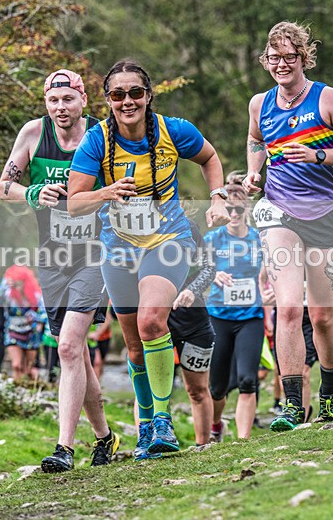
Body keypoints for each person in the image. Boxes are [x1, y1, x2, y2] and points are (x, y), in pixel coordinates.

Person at [68, 59, 229, 459]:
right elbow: (74, 204)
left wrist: (218, 197)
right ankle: (145, 427)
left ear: (148, 94)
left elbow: (210, 159)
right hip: (119, 247)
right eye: (118, 94)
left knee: (153, 320)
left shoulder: (175, 131)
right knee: (135, 345)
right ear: (107, 100)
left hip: (167, 240)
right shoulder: (96, 141)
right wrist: (106, 193)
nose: (127, 101)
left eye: (135, 93)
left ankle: (162, 423)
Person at [243, 21, 333, 431]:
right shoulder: (259, 104)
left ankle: (329, 395)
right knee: (288, 308)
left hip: (327, 213)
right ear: (266, 60)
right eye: (274, 57)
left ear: (303, 57)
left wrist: (318, 157)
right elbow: (255, 140)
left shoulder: (328, 98)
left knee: (321, 316)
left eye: (289, 57)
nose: (281, 64)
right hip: (280, 210)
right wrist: (252, 173)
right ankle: (293, 406)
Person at [0, 69, 117, 471]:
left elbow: (126, 185)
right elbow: (4, 187)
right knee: (75, 352)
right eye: (53, 101)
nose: (61, 108)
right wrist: (32, 191)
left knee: (67, 348)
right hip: (53, 258)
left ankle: (63, 448)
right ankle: (104, 438)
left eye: (68, 99)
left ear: (84, 99)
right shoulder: (33, 133)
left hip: (95, 255)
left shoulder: (103, 134)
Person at [205, 184, 265, 441]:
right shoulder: (213, 239)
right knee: (217, 387)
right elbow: (196, 271)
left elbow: (272, 274)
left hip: (251, 317)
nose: (234, 213)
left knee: (248, 380)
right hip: (218, 317)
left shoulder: (259, 240)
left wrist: (271, 292)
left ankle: (243, 440)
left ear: (246, 208)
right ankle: (216, 425)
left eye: (239, 208)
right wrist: (213, 275)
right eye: (228, 208)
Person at [167, 213, 216, 447]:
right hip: (157, 319)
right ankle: (146, 445)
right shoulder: (135, 227)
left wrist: (192, 290)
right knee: (152, 388)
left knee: (196, 389)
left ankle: (203, 445)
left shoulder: (188, 226)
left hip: (193, 319)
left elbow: (209, 267)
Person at [299, 270, 333, 421]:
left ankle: (304, 418)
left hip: (314, 317)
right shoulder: (283, 253)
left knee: (303, 371)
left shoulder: (317, 251)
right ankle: (297, 411)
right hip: (288, 316)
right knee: (284, 376)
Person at [0, 265, 45, 382]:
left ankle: (28, 390)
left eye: (19, 284)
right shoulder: (8, 294)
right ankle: (16, 390)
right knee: (16, 365)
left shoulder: (36, 297)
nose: (17, 287)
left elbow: (44, 313)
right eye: (15, 283)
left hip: (31, 334)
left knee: (28, 368)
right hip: (12, 332)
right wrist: (5, 283)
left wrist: (35, 318)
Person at [87, 306, 114, 380]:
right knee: (97, 362)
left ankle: (97, 384)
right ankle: (94, 387)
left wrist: (98, 333)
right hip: (91, 338)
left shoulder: (105, 298)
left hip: (104, 337)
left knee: (101, 363)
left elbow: (109, 318)